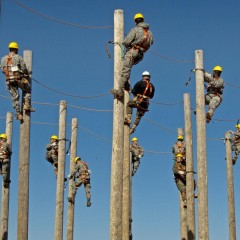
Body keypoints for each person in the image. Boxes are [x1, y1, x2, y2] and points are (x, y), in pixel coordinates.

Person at [111, 13, 154, 99]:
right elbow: (151, 42)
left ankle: (119, 90)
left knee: (125, 70)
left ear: (135, 21)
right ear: (142, 20)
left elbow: (126, 42)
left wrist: (127, 46)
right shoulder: (149, 33)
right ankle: (126, 83)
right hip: (140, 56)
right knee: (128, 68)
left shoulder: (135, 29)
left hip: (133, 52)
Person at [0, 42, 35, 120]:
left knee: (15, 97)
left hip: (9, 80)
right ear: (16, 49)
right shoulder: (18, 57)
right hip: (19, 78)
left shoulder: (3, 59)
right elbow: (24, 68)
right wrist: (26, 74)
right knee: (28, 88)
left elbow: (3, 70)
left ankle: (18, 114)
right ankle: (26, 105)